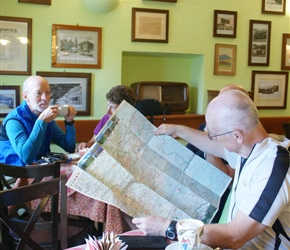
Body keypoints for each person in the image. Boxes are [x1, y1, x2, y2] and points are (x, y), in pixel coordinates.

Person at [132, 90, 290, 249]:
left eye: (214, 134)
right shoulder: (248, 150)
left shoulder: (273, 167)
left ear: (237, 136)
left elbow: (234, 236)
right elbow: (214, 147)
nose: (212, 138)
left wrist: (167, 228)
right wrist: (178, 130)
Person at [0, 75, 77, 166]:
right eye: (38, 93)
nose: (44, 98)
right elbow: (27, 158)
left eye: (47, 93)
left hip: (38, 171)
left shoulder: (46, 117)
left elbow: (69, 147)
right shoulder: (14, 121)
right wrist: (41, 122)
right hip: (12, 175)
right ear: (25, 96)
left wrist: (69, 121)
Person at [77, 85, 136, 151]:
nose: (108, 111)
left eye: (113, 107)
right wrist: (86, 145)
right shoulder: (106, 118)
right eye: (108, 105)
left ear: (125, 108)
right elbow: (94, 140)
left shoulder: (135, 123)